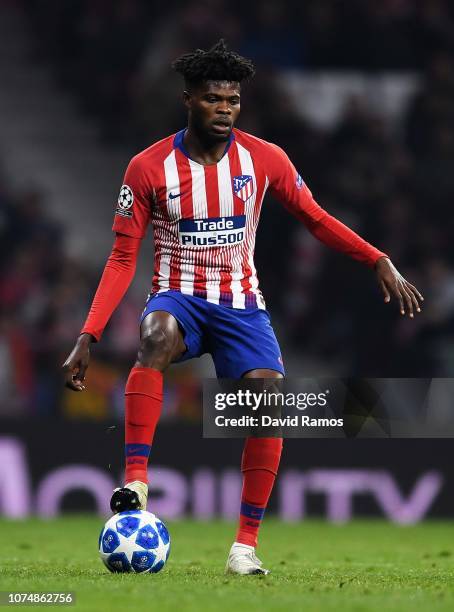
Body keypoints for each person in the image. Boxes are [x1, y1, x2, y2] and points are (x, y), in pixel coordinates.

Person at [62, 40, 423, 575]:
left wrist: (377, 259)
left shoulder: (265, 159)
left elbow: (316, 218)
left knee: (269, 399)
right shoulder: (147, 167)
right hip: (178, 297)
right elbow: (121, 259)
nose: (225, 108)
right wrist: (87, 335)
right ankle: (136, 481)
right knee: (154, 337)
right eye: (213, 99)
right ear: (188, 100)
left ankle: (244, 547)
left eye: (232, 99)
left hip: (241, 306)